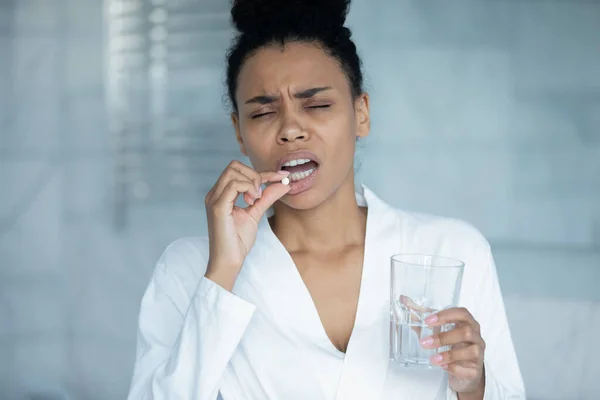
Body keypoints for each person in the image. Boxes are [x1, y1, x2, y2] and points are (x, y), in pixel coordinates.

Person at [126, 0, 525, 399]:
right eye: (263, 113)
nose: (291, 130)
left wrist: (473, 386)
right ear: (239, 132)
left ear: (361, 113)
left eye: (316, 105)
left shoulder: (451, 249)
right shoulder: (190, 269)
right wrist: (223, 274)